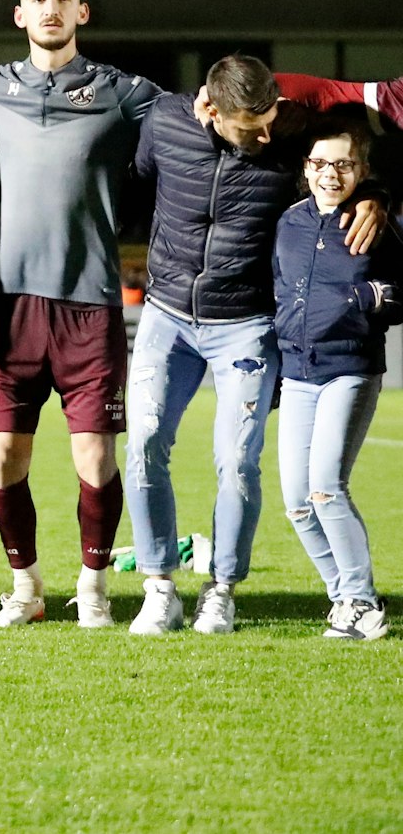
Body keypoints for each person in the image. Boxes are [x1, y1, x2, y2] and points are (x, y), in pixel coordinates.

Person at [123, 54, 384, 636]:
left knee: (238, 461)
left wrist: (378, 194)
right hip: (166, 317)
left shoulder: (287, 133)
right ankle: (158, 587)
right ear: (209, 109)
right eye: (251, 126)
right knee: (142, 446)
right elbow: (136, 183)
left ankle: (221, 590)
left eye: (271, 119)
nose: (267, 135)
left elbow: (355, 153)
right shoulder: (164, 122)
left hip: (245, 326)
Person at [0, 0, 159, 628]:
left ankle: (92, 586)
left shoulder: (123, 92)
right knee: (6, 455)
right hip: (7, 308)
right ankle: (26, 585)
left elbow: (192, 129)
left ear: (81, 13)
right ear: (20, 14)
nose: (51, 9)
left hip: (88, 303)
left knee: (93, 453)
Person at [274, 123, 401, 641]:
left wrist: (363, 301)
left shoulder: (378, 224)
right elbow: (279, 286)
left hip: (349, 368)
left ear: (361, 171)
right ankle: (345, 600)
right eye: (321, 163)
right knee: (297, 502)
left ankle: (360, 601)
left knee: (326, 487)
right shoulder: (289, 223)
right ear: (306, 169)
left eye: (344, 164)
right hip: (297, 372)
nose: (331, 173)